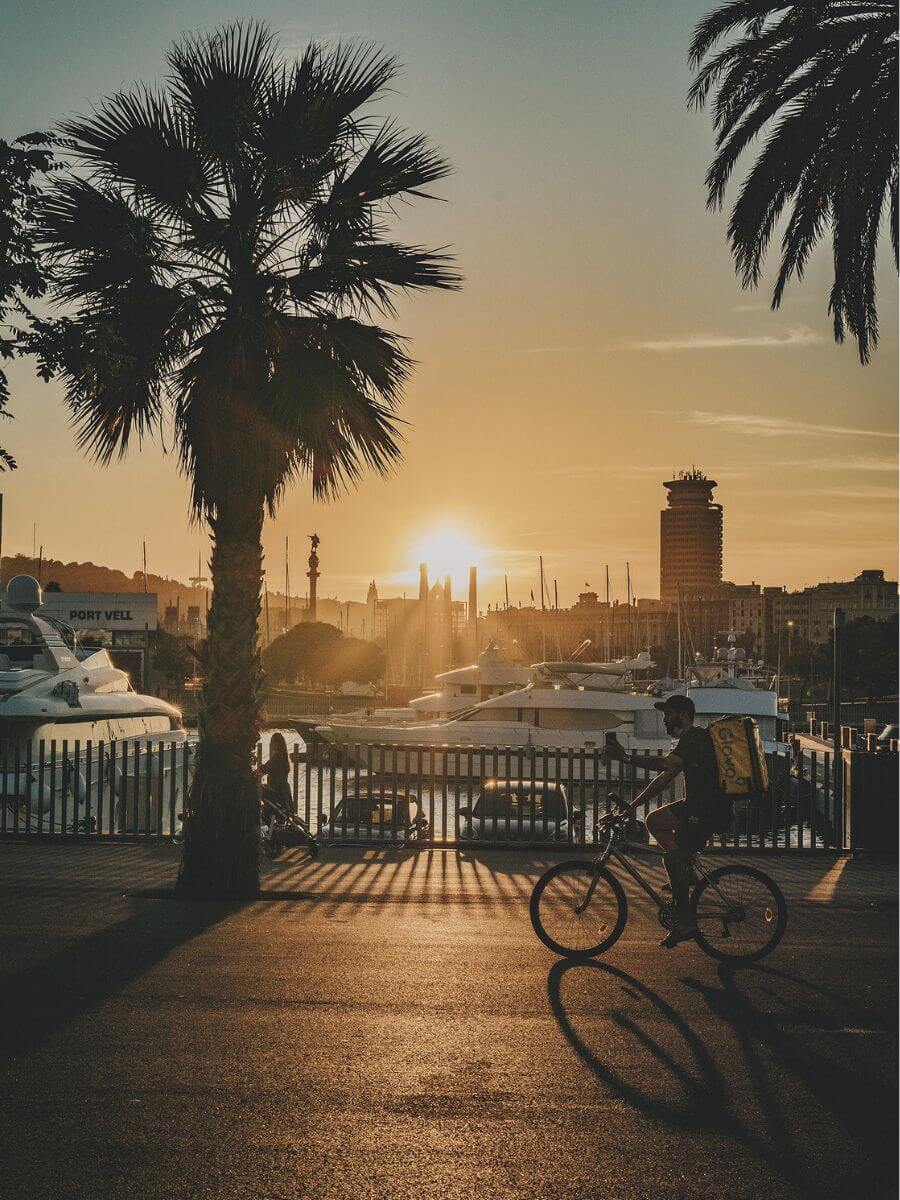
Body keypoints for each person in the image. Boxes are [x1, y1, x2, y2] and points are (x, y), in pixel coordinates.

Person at [603, 694, 730, 949]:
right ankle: (688, 872)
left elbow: (662, 764)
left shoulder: (694, 739)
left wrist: (625, 758)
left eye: (668, 715)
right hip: (697, 807)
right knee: (654, 820)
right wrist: (633, 807)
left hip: (706, 812)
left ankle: (686, 922)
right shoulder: (689, 741)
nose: (664, 720)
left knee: (671, 858)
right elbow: (663, 779)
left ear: (683, 716)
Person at [257, 732, 293, 826]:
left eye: (271, 742)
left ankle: (268, 831)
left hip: (276, 791)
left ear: (276, 744)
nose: (270, 744)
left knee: (260, 790)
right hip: (284, 791)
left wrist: (256, 771)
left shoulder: (277, 757)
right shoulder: (284, 756)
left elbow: (265, 768)